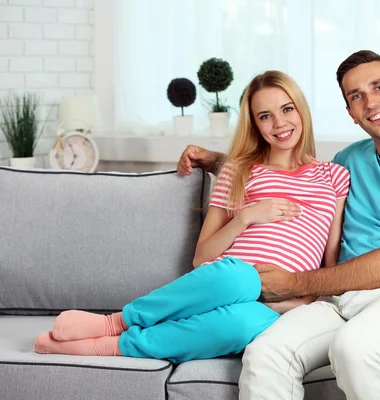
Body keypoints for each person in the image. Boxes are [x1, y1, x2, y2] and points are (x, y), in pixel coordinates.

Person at [177, 50, 380, 400]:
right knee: (266, 353)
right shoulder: (349, 161)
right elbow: (291, 176)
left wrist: (295, 284)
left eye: (379, 87)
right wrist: (217, 161)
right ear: (350, 113)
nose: (370, 102)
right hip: (340, 299)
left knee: (355, 349)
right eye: (356, 96)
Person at [33, 70, 350, 363]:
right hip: (228, 278)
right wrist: (247, 217)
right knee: (240, 276)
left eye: (287, 109)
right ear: (255, 124)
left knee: (243, 327)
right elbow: (202, 258)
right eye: (265, 116)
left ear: (301, 110)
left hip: (279, 301)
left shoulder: (334, 175)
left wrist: (301, 300)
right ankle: (115, 321)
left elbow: (330, 265)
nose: (279, 123)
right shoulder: (238, 170)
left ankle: (111, 346)